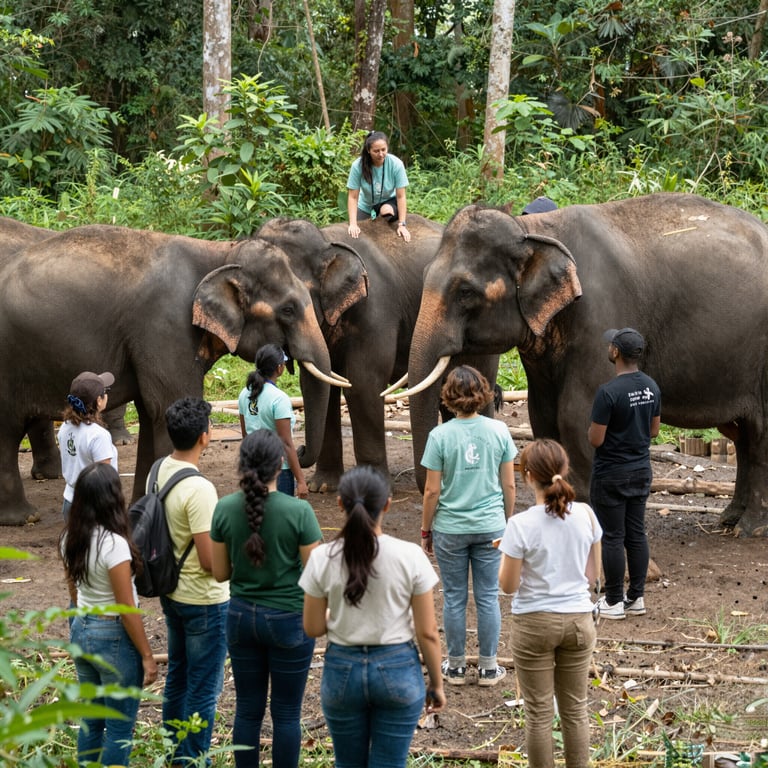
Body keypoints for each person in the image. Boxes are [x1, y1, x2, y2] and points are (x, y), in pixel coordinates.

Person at [300, 465, 445, 768]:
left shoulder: (321, 558)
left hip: (342, 672)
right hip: (397, 671)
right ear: (388, 504)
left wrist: (339, 616)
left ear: (340, 503)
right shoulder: (410, 556)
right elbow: (428, 632)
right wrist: (436, 684)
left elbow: (313, 627)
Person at [210, 429, 322, 768]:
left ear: (242, 464)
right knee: (287, 713)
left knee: (247, 709)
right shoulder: (299, 512)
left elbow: (219, 573)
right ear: (280, 467)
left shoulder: (224, 508)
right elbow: (315, 575)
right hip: (289, 620)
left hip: (241, 617)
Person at [498, 439, 602, 768]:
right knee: (576, 710)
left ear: (527, 476)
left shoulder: (520, 525)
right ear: (564, 469)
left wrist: (509, 554)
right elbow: (591, 577)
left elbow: (509, 585)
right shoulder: (585, 514)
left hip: (534, 622)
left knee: (539, 714)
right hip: (578, 621)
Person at [420, 365, 517, 686]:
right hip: (491, 526)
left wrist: (426, 529)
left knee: (454, 596)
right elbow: (509, 486)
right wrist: (506, 523)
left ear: (448, 397)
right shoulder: (499, 431)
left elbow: (432, 490)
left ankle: (456, 666)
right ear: (483, 395)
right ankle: (489, 667)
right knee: (488, 596)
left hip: (450, 528)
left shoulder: (439, 436)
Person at [60, 462, 158, 766]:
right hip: (112, 636)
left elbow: (73, 591)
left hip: (83, 628)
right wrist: (146, 655)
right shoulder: (113, 544)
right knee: (118, 726)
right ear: (112, 498)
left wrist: (79, 622)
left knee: (92, 718)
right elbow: (126, 608)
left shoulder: (70, 538)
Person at [156, 397, 229, 766]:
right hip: (204, 600)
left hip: (171, 591)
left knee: (178, 676)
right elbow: (208, 560)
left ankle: (173, 752)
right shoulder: (200, 490)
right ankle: (193, 759)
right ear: (204, 436)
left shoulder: (159, 470)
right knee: (203, 688)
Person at [588, 327, 661, 620]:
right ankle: (636, 597)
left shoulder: (608, 393)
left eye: (611, 345)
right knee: (636, 533)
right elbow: (654, 430)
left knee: (613, 536)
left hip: (611, 473)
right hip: (641, 470)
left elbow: (596, 439)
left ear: (616, 352)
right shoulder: (652, 387)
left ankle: (614, 600)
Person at [238, 343, 308, 499]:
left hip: (253, 467)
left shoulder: (244, 394)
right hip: (278, 471)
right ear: (279, 368)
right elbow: (286, 443)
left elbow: (246, 437)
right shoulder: (279, 398)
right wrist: (301, 480)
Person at [58, 370, 118, 520]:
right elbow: (104, 479)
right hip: (94, 507)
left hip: (69, 501)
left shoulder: (64, 427)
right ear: (99, 400)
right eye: (105, 391)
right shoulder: (98, 435)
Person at [347, 130, 411, 243]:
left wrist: (402, 224)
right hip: (365, 204)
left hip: (388, 202)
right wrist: (353, 224)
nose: (381, 154)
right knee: (354, 236)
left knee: (386, 210)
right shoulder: (357, 166)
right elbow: (353, 197)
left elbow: (401, 196)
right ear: (368, 150)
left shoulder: (396, 164)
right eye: (376, 151)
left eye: (383, 150)